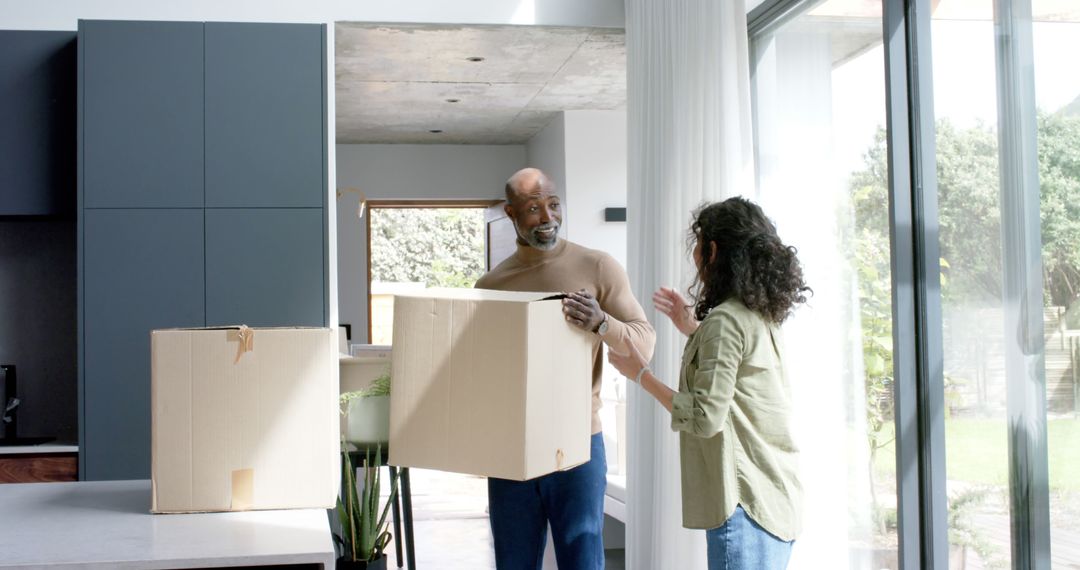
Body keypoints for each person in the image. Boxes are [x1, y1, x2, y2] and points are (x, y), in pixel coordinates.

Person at [607, 197, 809, 570]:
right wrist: (690, 327)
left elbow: (704, 417)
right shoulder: (758, 314)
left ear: (713, 250)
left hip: (743, 502)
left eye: (698, 246)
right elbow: (738, 377)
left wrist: (641, 373)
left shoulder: (725, 322)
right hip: (775, 497)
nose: (696, 258)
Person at [476, 167, 655, 570]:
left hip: (577, 443)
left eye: (553, 205)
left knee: (582, 561)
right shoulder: (491, 285)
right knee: (514, 562)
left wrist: (602, 323)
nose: (547, 217)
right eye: (533, 208)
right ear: (511, 213)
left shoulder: (598, 266)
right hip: (510, 445)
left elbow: (645, 341)